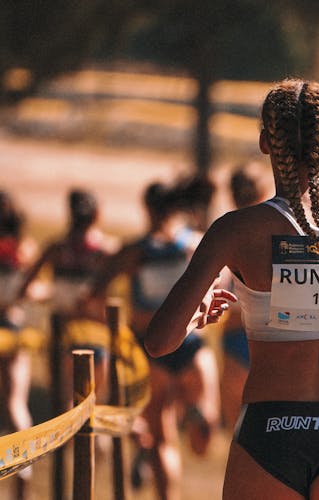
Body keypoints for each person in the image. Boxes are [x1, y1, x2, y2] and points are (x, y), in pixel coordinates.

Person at [144, 78, 319, 500]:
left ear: (264, 143)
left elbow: (160, 342)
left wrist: (195, 319)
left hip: (269, 434)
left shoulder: (235, 230)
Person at [84, 182, 220, 500]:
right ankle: (195, 412)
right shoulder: (195, 245)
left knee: (161, 440)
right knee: (204, 439)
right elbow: (222, 283)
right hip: (189, 345)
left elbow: (93, 294)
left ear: (147, 209)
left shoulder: (135, 252)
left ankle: (161, 469)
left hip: (150, 346)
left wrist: (116, 323)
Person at [17, 188, 119, 401]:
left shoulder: (57, 249)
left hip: (64, 334)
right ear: (97, 214)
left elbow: (25, 288)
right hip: (99, 334)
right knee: (97, 408)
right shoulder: (108, 250)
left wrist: (52, 293)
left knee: (66, 408)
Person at [219, 163, 273, 428]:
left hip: (236, 335)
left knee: (239, 429)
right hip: (271, 336)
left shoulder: (228, 230)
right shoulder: (276, 230)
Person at [0, 190, 35, 500]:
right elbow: (28, 289)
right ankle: (24, 466)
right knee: (15, 402)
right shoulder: (21, 249)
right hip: (11, 328)